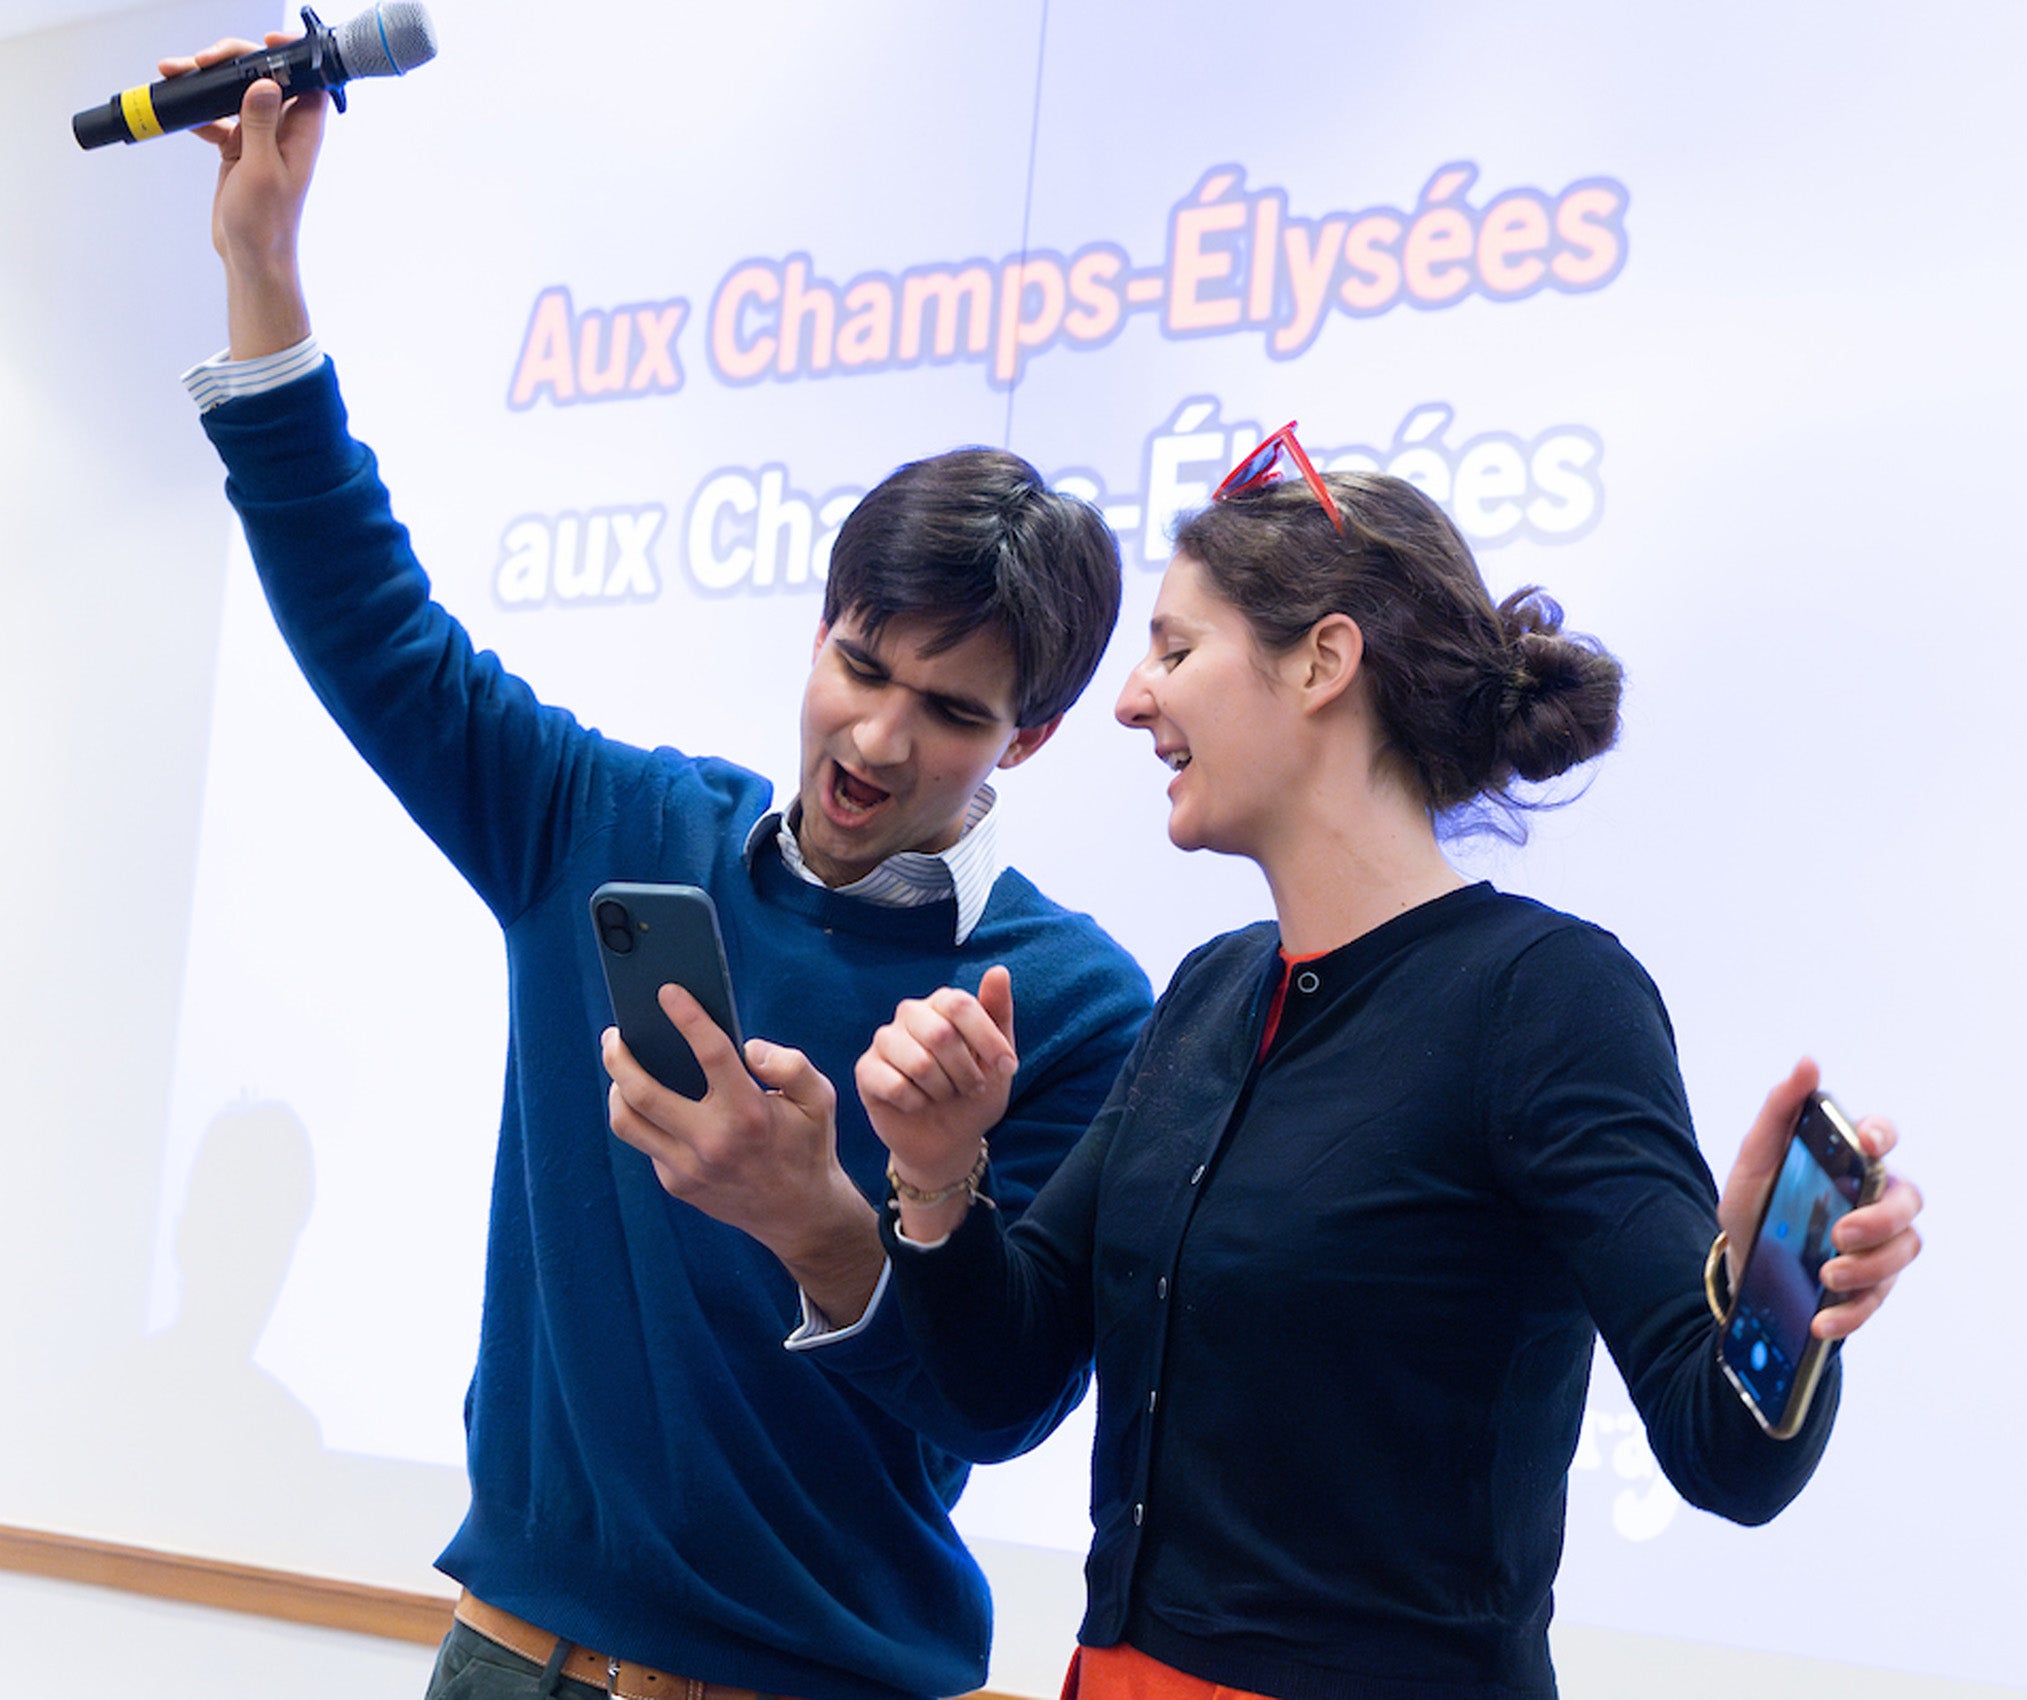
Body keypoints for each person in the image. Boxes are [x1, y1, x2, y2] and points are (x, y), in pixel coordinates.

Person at [166, 36, 1152, 1700]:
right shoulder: (607, 826)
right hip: (506, 1651)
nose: (882, 736)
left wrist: (835, 1216)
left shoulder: (1058, 1005)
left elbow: (1001, 1402)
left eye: (951, 710)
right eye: (862, 663)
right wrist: (264, 269)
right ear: (821, 628)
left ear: (1027, 743)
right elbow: (373, 623)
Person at [817, 433, 1927, 1698]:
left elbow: (1729, 1452)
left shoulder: (1547, 997)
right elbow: (996, 1378)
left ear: (1323, 662)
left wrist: (1774, 1286)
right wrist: (939, 1171)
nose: (1132, 698)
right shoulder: (1209, 991)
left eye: (1176, 649)